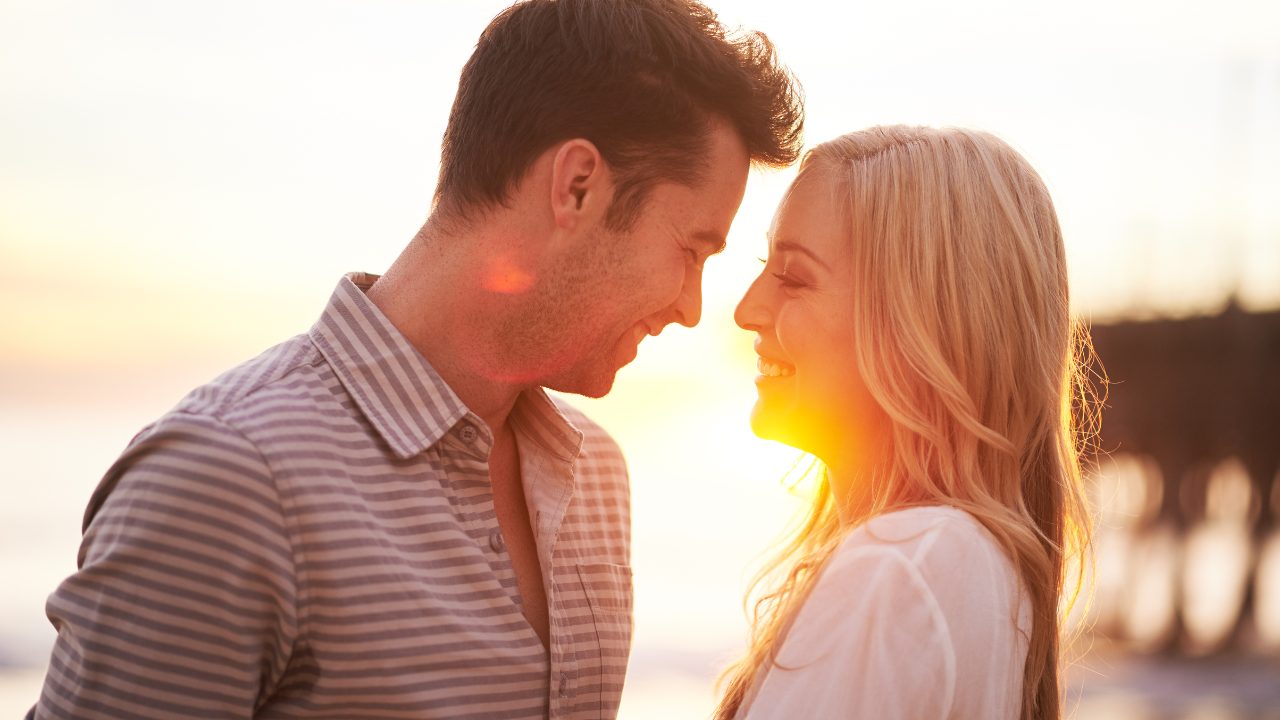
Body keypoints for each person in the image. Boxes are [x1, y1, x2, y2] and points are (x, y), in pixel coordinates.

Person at [28, 2, 802, 718]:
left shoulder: (592, 475)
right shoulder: (229, 478)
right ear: (576, 186)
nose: (692, 307)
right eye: (691, 250)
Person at [717, 126, 1097, 719]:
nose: (746, 310)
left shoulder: (900, 566)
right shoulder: (968, 565)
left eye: (793, 277)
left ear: (917, 324)